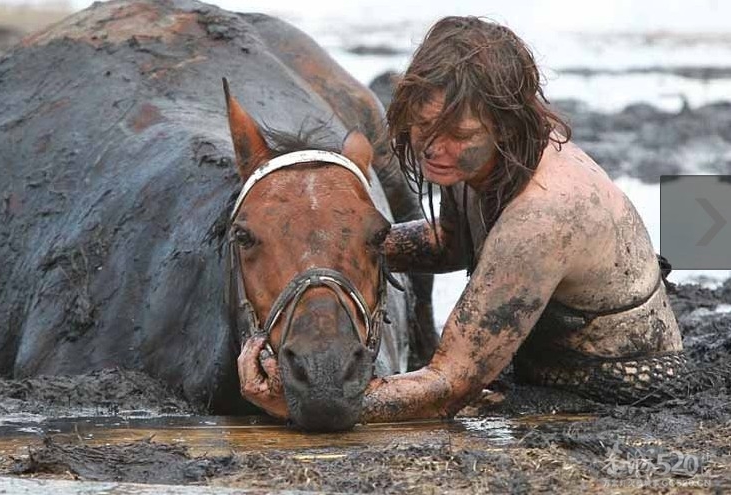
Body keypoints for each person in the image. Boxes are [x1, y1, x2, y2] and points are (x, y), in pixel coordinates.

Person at [238, 16, 687, 422]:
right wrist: (336, 250)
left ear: (508, 126)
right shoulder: (477, 159)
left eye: (459, 135)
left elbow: (448, 385)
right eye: (424, 126)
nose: (434, 148)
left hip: (619, 392)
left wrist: (310, 397)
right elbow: (452, 242)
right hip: (541, 369)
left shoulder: (544, 217)